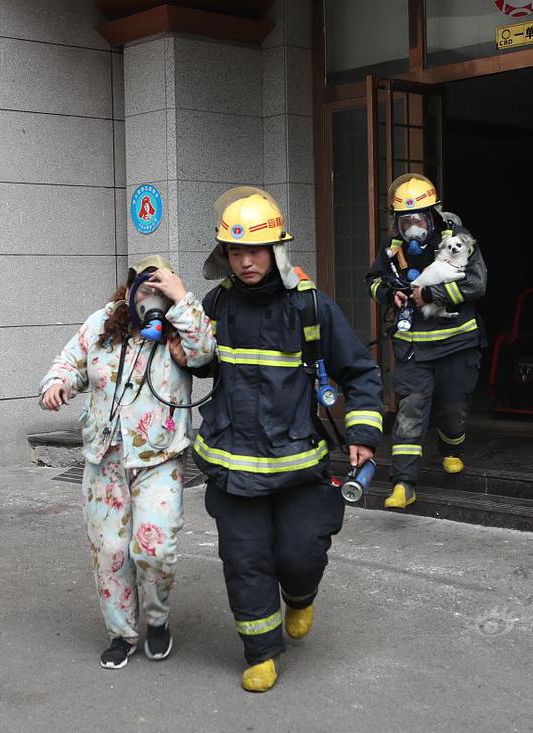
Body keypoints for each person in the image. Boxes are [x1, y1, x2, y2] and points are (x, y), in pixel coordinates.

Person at [194, 187, 384, 692]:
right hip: (233, 465)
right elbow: (201, 364)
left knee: (301, 554)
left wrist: (362, 431)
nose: (246, 261)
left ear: (276, 250)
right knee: (244, 559)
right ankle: (260, 651)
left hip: (299, 465)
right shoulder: (216, 305)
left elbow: (360, 373)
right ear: (224, 255)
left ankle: (300, 597)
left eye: (255, 250)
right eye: (236, 251)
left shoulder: (311, 308)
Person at [38, 256, 216, 669]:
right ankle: (122, 633)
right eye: (145, 289)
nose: (150, 297)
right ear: (130, 289)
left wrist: (180, 299)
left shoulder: (179, 327)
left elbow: (205, 351)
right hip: (104, 460)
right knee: (111, 551)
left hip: (159, 458)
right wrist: (57, 385)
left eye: (160, 288)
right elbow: (67, 365)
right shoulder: (102, 323)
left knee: (155, 548)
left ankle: (157, 622)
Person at [366, 173, 488, 509]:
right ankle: (404, 483)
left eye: (418, 219)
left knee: (453, 410)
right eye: (405, 222)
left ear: (433, 215)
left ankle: (451, 448)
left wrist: (431, 293)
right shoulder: (393, 249)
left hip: (457, 345)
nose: (413, 228)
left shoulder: (459, 239)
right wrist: (391, 295)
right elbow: (373, 281)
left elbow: (477, 285)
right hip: (413, 349)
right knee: (410, 412)